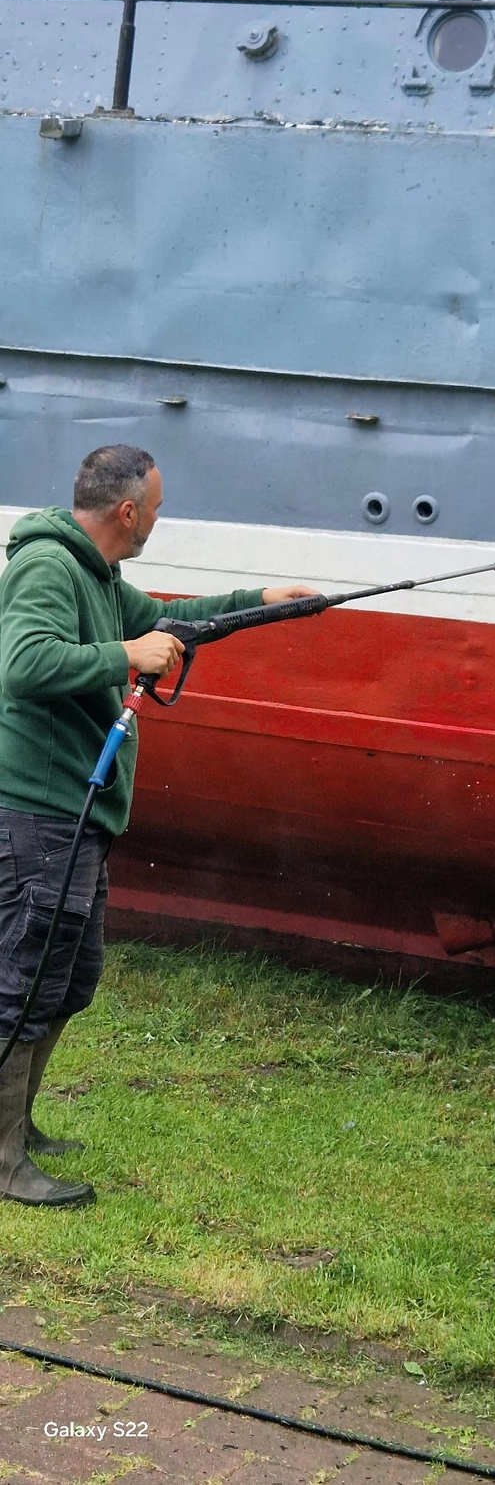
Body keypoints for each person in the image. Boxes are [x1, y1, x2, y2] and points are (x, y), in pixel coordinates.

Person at [0, 445, 313, 1209]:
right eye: (159, 508)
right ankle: (2, 1161)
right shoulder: (48, 566)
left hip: (76, 811)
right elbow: (23, 662)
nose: (160, 521)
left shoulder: (98, 575)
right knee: (23, 983)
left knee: (71, 978)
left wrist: (267, 600)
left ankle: (16, 1126)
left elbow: (175, 624)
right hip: (37, 812)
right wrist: (125, 655)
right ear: (129, 511)